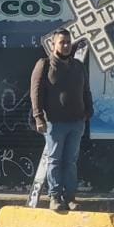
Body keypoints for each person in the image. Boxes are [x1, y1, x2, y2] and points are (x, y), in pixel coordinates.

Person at [30, 28, 92, 212]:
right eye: (61, 42)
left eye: (68, 42)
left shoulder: (78, 66)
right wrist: (38, 117)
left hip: (76, 122)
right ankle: (55, 196)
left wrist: (88, 111)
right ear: (53, 44)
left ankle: (70, 197)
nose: (65, 45)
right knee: (55, 160)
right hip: (54, 123)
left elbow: (85, 90)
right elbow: (35, 92)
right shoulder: (45, 64)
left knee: (70, 160)